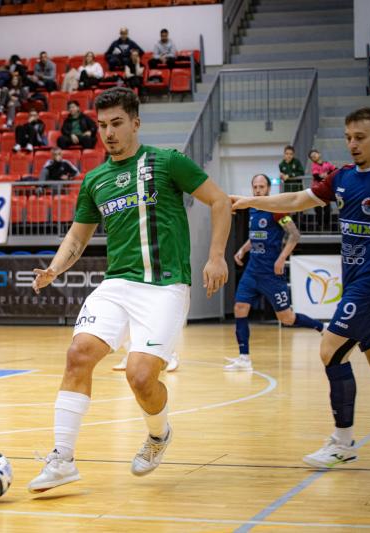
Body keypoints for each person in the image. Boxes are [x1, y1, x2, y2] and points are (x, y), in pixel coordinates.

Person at [27, 87, 230, 492]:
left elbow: (221, 201)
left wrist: (216, 256)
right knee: (78, 354)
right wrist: (54, 268)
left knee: (139, 377)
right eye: (102, 126)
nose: (109, 133)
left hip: (165, 286)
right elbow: (77, 238)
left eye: (117, 123)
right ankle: (62, 459)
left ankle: (158, 435)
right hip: (117, 284)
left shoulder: (167, 162)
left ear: (135, 122)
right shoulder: (95, 179)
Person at [230, 107, 370, 469]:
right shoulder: (341, 177)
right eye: (348, 137)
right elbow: (295, 201)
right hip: (355, 282)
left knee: (329, 350)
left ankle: (343, 441)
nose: (352, 144)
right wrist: (250, 201)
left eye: (361, 137)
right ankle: (344, 441)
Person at [227, 174, 324, 371]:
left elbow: (295, 235)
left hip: (271, 274)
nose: (258, 190)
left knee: (286, 318)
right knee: (240, 308)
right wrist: (243, 249)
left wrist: (282, 258)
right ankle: (244, 358)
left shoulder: (277, 210)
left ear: (268, 189)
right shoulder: (253, 208)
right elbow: (255, 236)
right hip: (252, 270)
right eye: (255, 187)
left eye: (261, 187)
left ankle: (322, 327)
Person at [308, 148, 337, 230]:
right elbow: (316, 176)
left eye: (315, 154)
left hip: (326, 191)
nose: (314, 157)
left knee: (327, 210)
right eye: (312, 157)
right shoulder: (314, 166)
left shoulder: (327, 164)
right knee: (318, 210)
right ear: (311, 159)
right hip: (317, 191)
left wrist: (326, 175)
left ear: (319, 154)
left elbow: (335, 169)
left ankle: (327, 226)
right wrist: (327, 176)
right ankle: (319, 226)